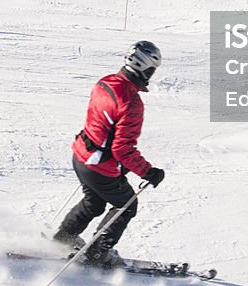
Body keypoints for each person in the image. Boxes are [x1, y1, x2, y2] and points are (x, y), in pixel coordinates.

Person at [53, 40, 165, 268]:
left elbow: (103, 124)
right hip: (98, 165)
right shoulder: (132, 102)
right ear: (144, 68)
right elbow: (121, 148)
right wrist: (149, 172)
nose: (151, 75)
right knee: (126, 205)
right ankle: (97, 253)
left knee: (94, 202)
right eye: (152, 70)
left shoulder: (105, 82)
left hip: (81, 155)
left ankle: (63, 239)